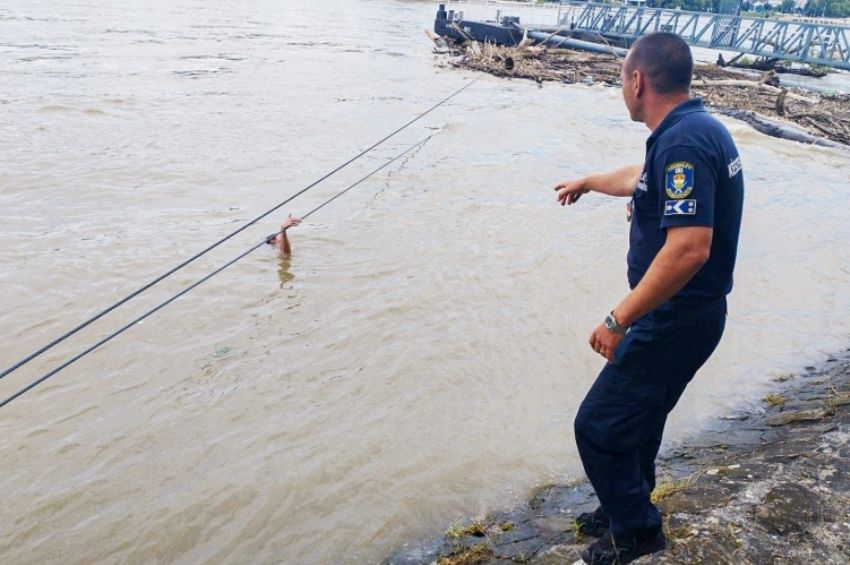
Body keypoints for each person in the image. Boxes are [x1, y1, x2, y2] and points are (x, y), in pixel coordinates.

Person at [554, 32, 744, 564]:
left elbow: (689, 250)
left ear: (637, 81)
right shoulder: (693, 129)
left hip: (676, 317)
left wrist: (618, 318)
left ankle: (636, 530)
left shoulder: (682, 142)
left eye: (621, 80)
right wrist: (590, 181)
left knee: (597, 426)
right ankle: (623, 505)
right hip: (687, 316)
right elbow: (642, 179)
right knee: (641, 417)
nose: (622, 90)